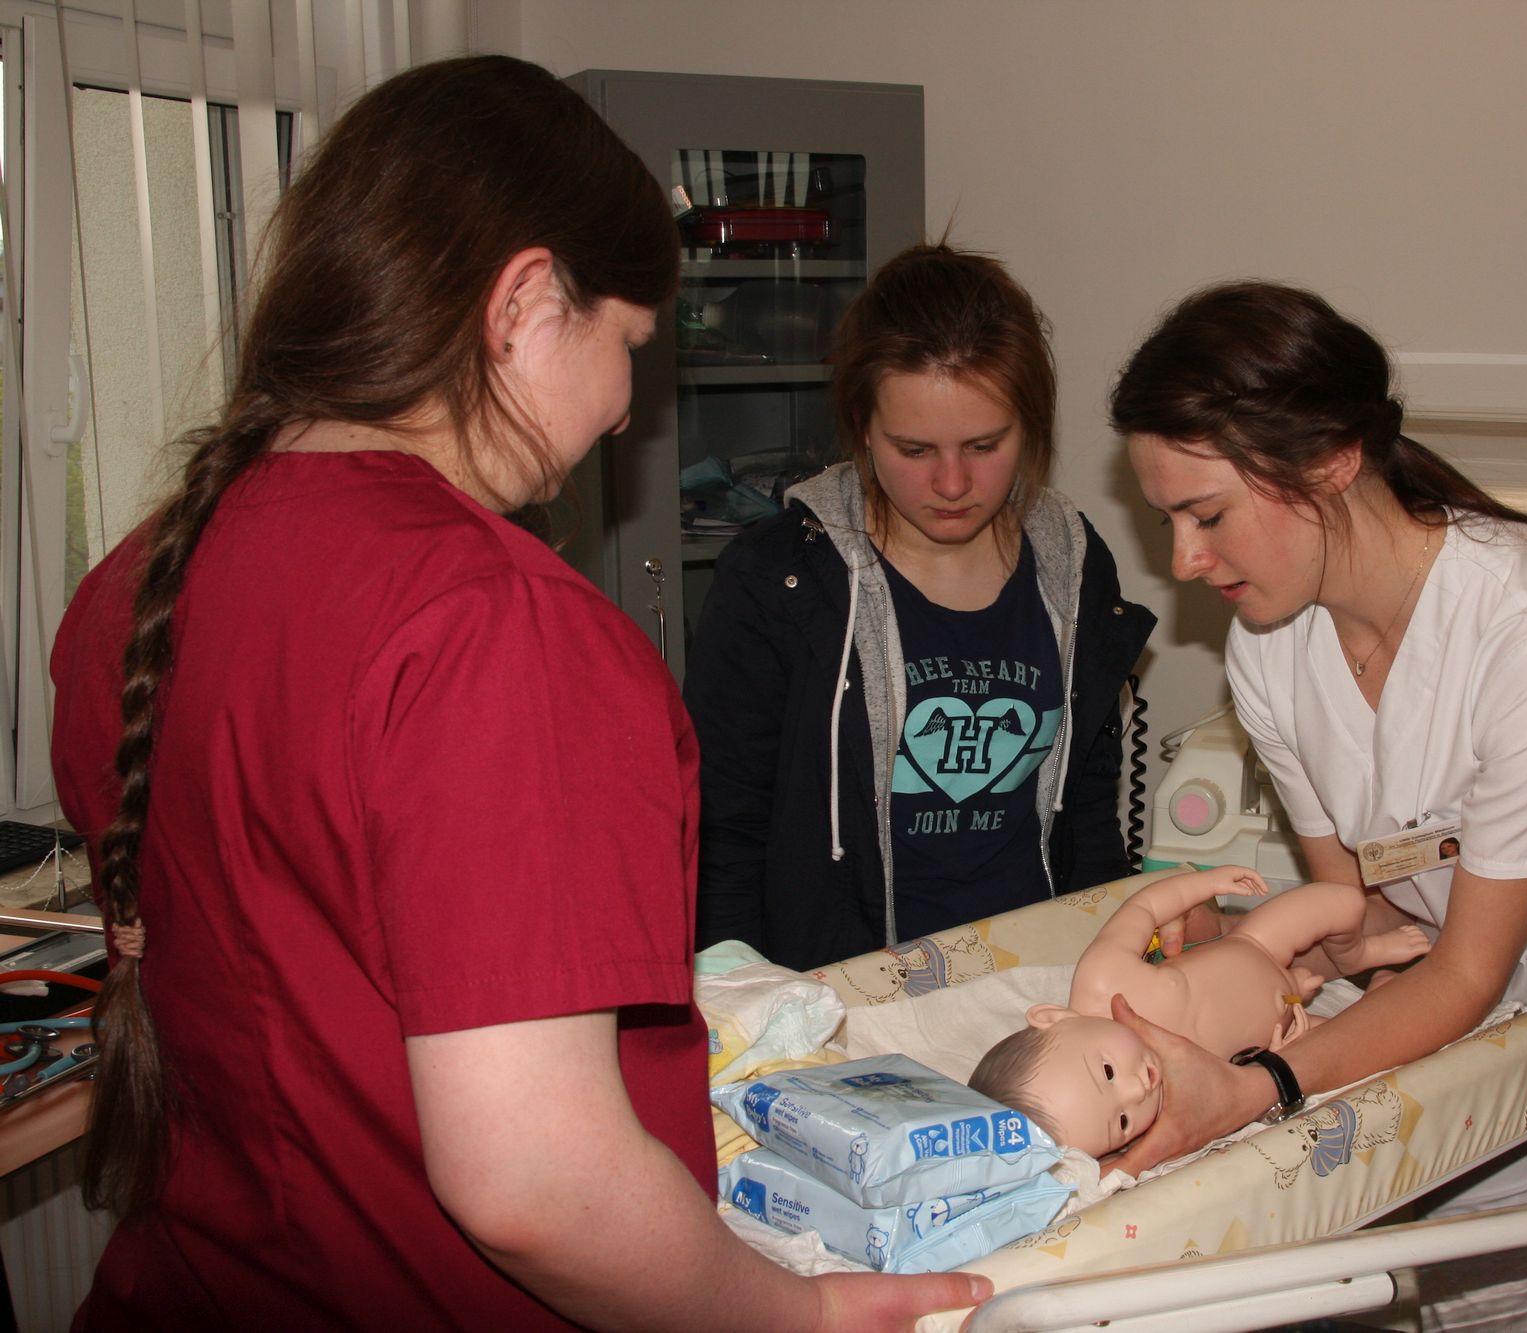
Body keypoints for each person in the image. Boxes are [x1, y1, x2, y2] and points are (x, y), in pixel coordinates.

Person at [49, 56, 985, 1330]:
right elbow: (538, 1183)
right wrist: (795, 1316)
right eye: (630, 348)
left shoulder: (137, 579)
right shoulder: (499, 626)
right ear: (527, 301)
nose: (624, 414)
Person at [1107, 281, 1527, 1323]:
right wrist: (1248, 962)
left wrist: (1261, 1087)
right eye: (1167, 520)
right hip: (1466, 1039)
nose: (1185, 562)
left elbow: (1467, 967)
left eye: (1207, 516)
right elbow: (1367, 912)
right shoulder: (1272, 647)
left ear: (1331, 460)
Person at [686, 243, 1156, 970]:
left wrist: (1118, 948)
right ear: (861, 427)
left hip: (1037, 976)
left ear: (1030, 424)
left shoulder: (1073, 561)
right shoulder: (778, 580)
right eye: (913, 449)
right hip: (844, 993)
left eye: (985, 444)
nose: (952, 483)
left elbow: (1086, 806)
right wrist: (738, 991)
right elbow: (725, 831)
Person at [968, 866, 1430, 1157]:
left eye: (1107, 1072)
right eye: (1123, 1122)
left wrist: (1205, 884)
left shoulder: (1103, 980)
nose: (1136, 1089)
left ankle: (1357, 955)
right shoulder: (1178, 1099)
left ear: (1054, 1018)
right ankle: (1379, 990)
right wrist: (1285, 1052)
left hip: (1258, 945)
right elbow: (1243, 1081)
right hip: (1286, 1025)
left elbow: (1145, 907)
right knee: (1374, 1052)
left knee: (1343, 901)